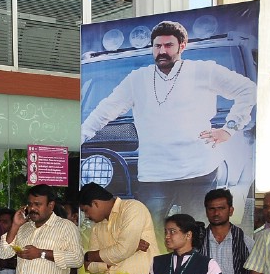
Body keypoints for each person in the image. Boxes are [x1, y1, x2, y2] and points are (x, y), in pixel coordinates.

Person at [81, 20, 257, 225]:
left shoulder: (204, 71)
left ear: (182, 45)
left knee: (196, 232)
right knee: (151, 235)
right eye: (157, 46)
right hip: (154, 175)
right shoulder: (137, 79)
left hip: (199, 171)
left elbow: (248, 90)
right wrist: (80, 137)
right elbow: (104, 111)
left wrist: (229, 129)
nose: (162, 51)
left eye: (168, 45)